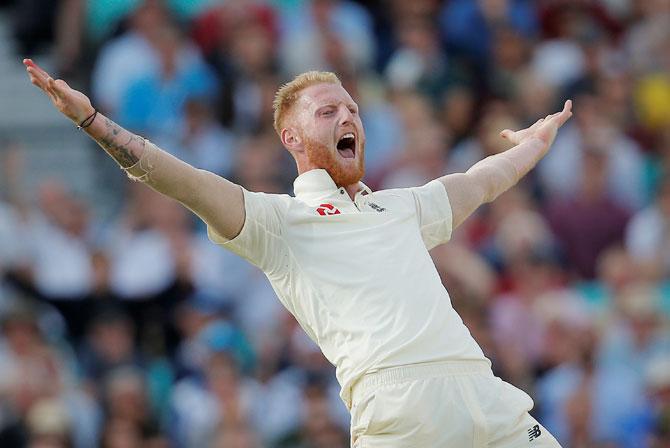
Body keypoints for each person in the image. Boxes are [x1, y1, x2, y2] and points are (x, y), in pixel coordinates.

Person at [23, 59, 571, 447]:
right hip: (400, 406)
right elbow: (182, 182)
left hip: (483, 389)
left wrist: (532, 147)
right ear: (291, 138)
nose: (348, 117)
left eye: (352, 108)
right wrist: (93, 122)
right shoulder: (280, 221)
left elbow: (478, 181)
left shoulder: (401, 207)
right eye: (328, 111)